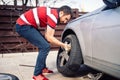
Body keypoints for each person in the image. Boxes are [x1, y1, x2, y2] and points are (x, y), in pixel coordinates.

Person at [15, 5, 72, 80]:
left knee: (45, 45)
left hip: (28, 25)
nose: (65, 22)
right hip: (23, 25)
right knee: (45, 46)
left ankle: (43, 68)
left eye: (67, 20)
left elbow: (47, 35)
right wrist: (63, 45)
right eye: (65, 19)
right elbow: (49, 37)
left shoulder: (53, 14)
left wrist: (50, 40)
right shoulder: (53, 16)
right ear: (61, 13)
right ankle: (37, 74)